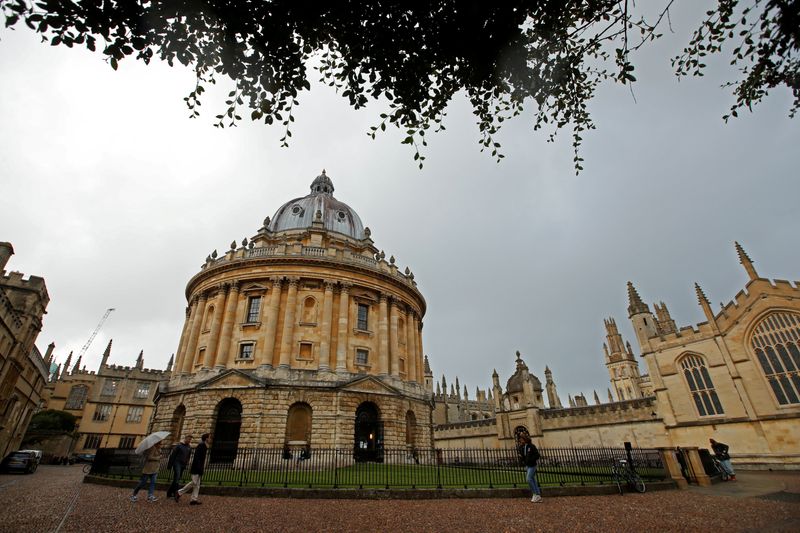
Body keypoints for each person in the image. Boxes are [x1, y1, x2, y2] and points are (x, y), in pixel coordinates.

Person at [176, 433, 210, 505]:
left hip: (199, 467)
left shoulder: (204, 446)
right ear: (206, 438)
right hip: (196, 467)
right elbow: (197, 457)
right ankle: (179, 492)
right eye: (209, 437)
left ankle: (194, 499)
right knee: (194, 482)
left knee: (197, 485)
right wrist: (199, 467)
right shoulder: (201, 445)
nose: (210, 439)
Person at [166, 435, 192, 499]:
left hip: (183, 464)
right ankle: (176, 493)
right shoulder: (179, 446)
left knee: (176, 479)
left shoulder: (189, 447)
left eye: (190, 440)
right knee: (177, 477)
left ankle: (169, 493)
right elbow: (173, 455)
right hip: (177, 463)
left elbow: (188, 456)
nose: (189, 441)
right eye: (188, 439)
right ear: (185, 439)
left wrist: (187, 462)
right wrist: (170, 465)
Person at [517, 434, 542, 503]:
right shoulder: (523, 447)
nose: (520, 440)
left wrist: (531, 460)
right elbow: (523, 456)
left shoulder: (531, 446)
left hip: (532, 465)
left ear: (524, 439)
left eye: (521, 439)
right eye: (520, 439)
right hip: (527, 466)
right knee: (533, 479)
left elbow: (537, 455)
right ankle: (538, 495)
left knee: (528, 479)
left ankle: (535, 494)